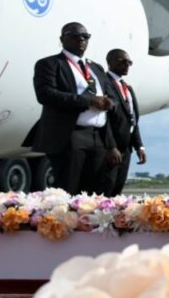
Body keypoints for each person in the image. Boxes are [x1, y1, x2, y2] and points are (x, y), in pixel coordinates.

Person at [24, 22, 119, 194]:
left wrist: (109, 103)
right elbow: (45, 94)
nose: (81, 39)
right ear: (62, 39)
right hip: (70, 135)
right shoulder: (50, 64)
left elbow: (111, 96)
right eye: (74, 36)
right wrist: (88, 101)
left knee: (93, 193)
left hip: (97, 136)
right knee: (68, 190)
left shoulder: (96, 68)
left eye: (85, 36)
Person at [101, 49, 145, 196]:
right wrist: (111, 146)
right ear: (109, 62)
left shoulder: (127, 88)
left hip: (126, 148)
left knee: (117, 188)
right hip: (111, 148)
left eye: (129, 62)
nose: (127, 65)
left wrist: (139, 146)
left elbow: (133, 120)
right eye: (122, 61)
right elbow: (104, 119)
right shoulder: (104, 83)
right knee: (106, 187)